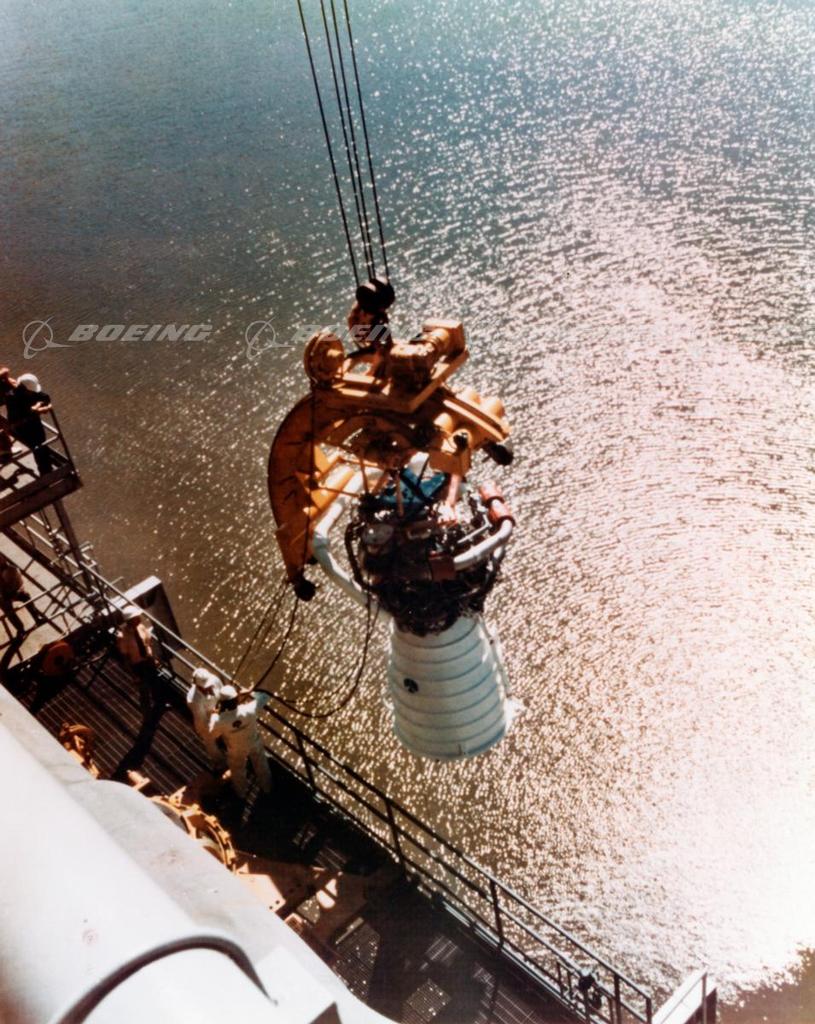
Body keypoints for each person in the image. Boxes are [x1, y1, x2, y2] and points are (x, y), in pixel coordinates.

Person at [207, 684, 272, 798]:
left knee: (238, 770)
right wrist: (249, 692)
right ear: (236, 699)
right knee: (261, 765)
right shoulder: (250, 708)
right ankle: (267, 787)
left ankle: (241, 793)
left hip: (236, 749)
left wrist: (214, 715)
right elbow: (265, 696)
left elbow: (212, 734)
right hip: (254, 742)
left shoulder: (219, 720)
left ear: (222, 703)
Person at [115, 605, 165, 721]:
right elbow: (125, 657)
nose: (139, 619)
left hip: (148, 661)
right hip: (137, 665)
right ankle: (147, 714)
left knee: (155, 683)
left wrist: (153, 658)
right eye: (136, 618)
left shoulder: (141, 627)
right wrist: (133, 675)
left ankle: (160, 705)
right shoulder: (122, 637)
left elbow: (148, 643)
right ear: (129, 621)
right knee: (144, 690)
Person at [5, 372, 54, 476]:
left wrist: (39, 404)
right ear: (24, 389)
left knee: (42, 447)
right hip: (22, 427)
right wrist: (39, 409)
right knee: (38, 447)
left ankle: (47, 469)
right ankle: (46, 472)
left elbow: (45, 397)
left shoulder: (29, 393)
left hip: (33, 424)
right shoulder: (12, 397)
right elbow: (23, 414)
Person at [187, 667, 225, 766]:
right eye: (205, 687)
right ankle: (219, 762)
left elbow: (222, 694)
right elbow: (202, 719)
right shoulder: (193, 700)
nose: (209, 688)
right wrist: (215, 714)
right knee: (209, 741)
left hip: (218, 711)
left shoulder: (215, 680)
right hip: (205, 721)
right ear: (197, 686)